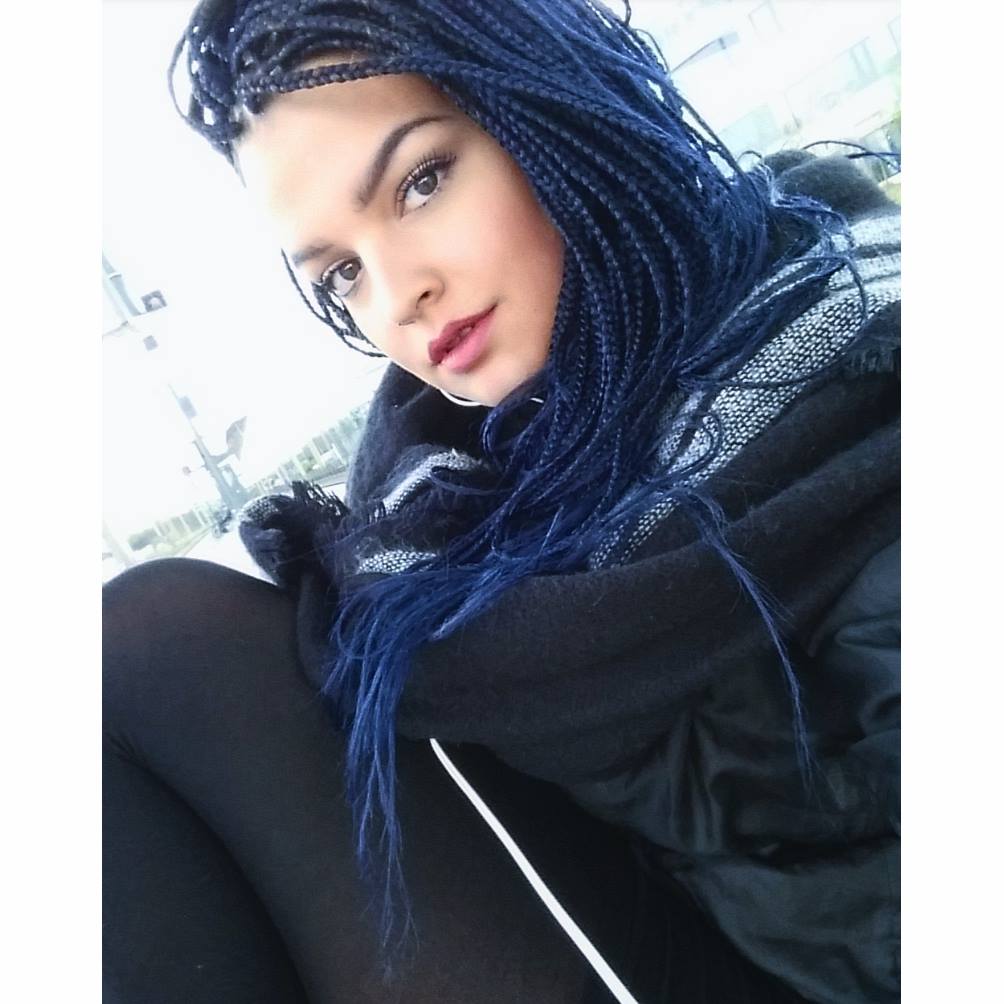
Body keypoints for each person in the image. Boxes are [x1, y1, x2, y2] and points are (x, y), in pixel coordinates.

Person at [103, 1, 900, 1001]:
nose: (397, 293)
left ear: (555, 113)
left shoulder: (859, 367)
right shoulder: (449, 490)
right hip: (677, 914)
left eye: (421, 181)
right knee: (139, 649)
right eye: (342, 273)